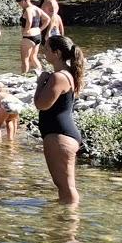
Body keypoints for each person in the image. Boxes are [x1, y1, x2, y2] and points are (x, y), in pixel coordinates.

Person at [33, 33, 85, 207]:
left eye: (47, 48)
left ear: (57, 53)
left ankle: (70, 225)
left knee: (66, 186)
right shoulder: (67, 74)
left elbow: (41, 104)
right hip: (61, 134)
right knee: (62, 185)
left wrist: (40, 82)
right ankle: (62, 220)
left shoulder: (59, 77)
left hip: (59, 136)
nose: (43, 51)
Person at [17, 0, 49, 72]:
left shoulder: (28, 10)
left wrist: (25, 31)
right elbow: (47, 19)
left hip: (28, 37)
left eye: (20, 3)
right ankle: (40, 73)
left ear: (24, 1)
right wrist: (40, 29)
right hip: (37, 36)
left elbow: (29, 22)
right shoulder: (37, 8)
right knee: (33, 57)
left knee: (25, 60)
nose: (20, 5)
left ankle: (24, 76)